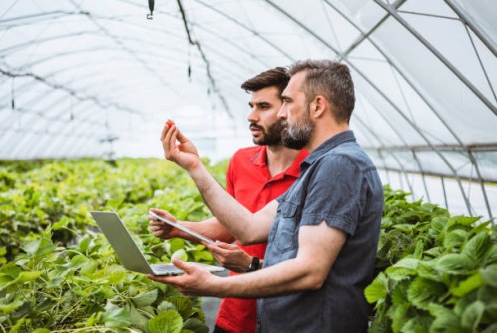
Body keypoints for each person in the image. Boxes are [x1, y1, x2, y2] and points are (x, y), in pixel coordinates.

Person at [150, 60, 384, 332]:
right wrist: (194, 167)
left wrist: (215, 285)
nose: (282, 114)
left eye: (287, 101)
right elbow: (248, 228)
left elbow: (310, 271)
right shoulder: (319, 167)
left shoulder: (339, 165)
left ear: (318, 106)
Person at [149, 67, 308, 333]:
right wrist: (179, 228)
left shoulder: (314, 169)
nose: (251, 116)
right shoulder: (241, 161)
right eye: (251, 106)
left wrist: (249, 265)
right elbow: (230, 226)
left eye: (263, 107)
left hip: (288, 316)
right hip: (236, 312)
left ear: (288, 109)